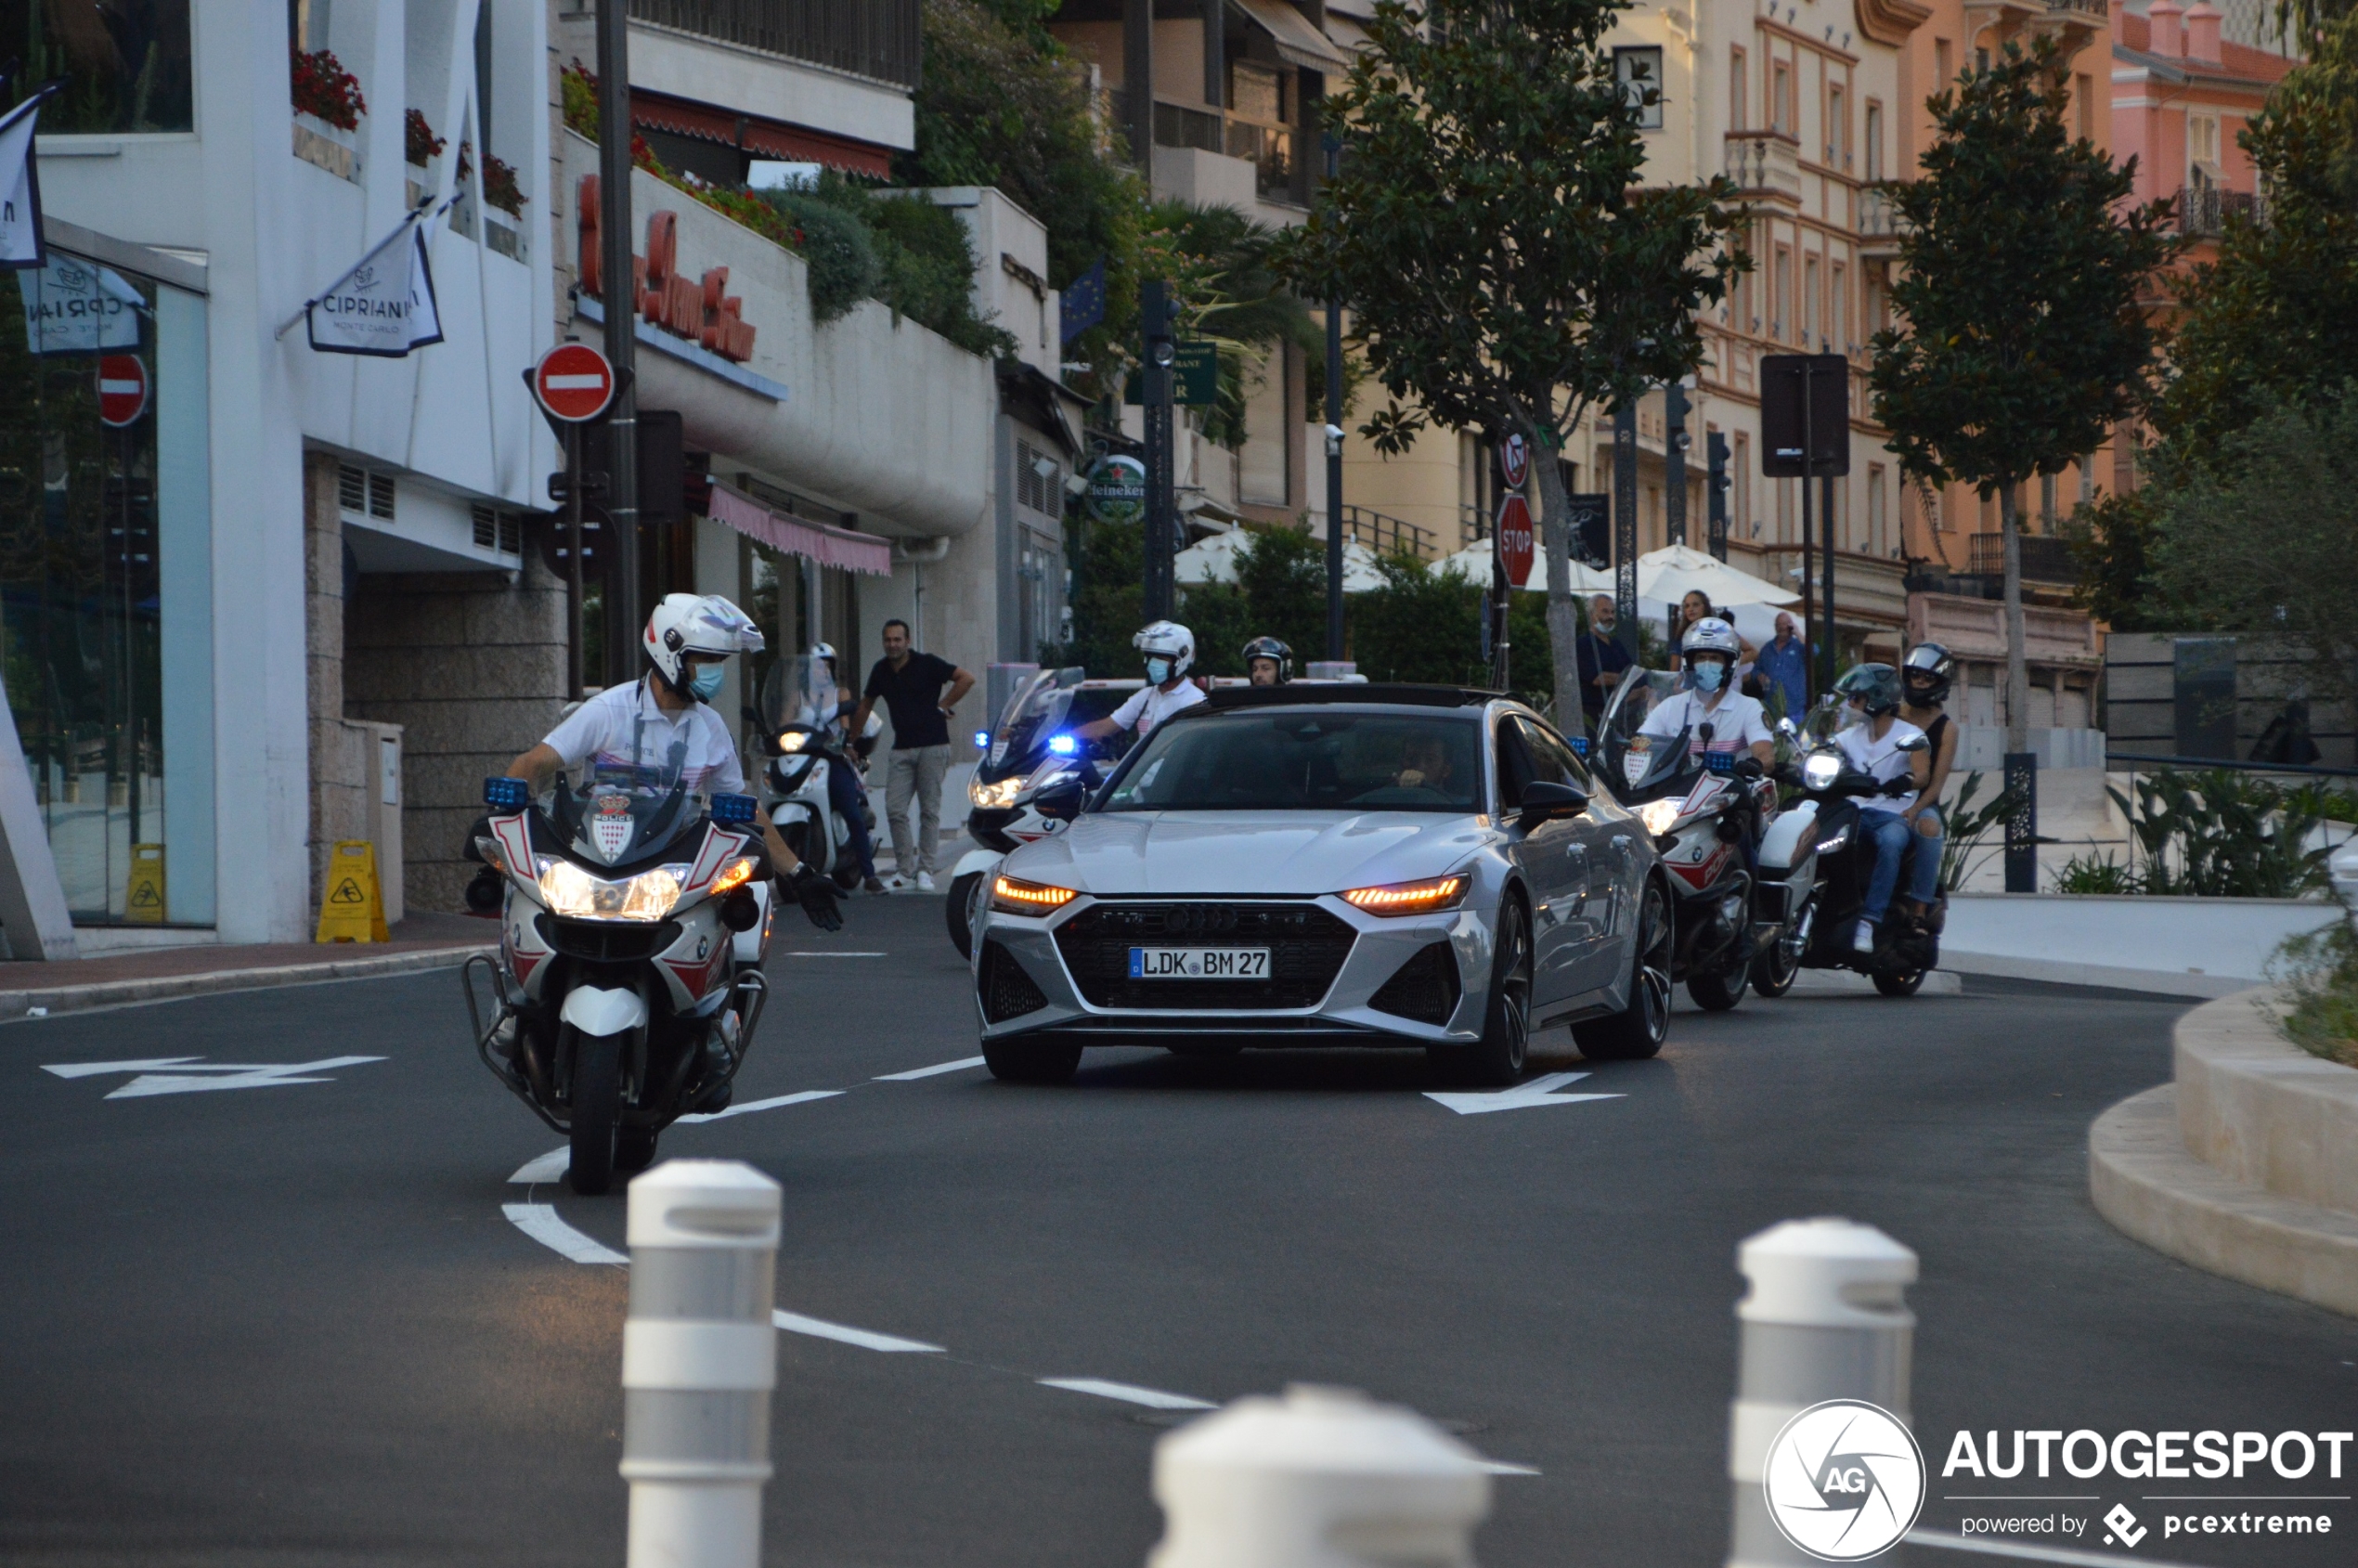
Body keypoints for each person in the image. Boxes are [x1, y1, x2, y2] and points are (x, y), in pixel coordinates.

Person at [498, 593, 842, 930]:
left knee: (736, 929)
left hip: (675, 874)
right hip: (597, 867)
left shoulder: (711, 728)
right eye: (706, 660)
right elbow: (532, 765)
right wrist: (501, 828)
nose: (715, 671)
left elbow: (746, 808)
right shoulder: (608, 710)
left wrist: (800, 874)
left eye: (719, 662)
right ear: (669, 654)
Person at [850, 619, 976, 894]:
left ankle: (925, 871)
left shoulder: (928, 663)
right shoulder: (880, 670)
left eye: (897, 639)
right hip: (901, 748)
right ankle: (905, 870)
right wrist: (851, 740)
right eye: (888, 640)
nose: (892, 644)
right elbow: (865, 705)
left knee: (929, 810)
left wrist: (943, 704)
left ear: (908, 641)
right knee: (895, 809)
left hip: (933, 746)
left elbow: (966, 678)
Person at [1833, 663, 1936, 954]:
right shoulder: (1849, 735)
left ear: (1876, 698)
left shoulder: (1910, 735)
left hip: (1891, 814)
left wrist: (1904, 781)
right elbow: (1825, 750)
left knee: (1891, 844)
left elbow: (1923, 775)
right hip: (1851, 811)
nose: (1850, 704)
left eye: (1856, 698)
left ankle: (1869, 919)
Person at [1636, 618, 1777, 769]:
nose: (1707, 664)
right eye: (1701, 658)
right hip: (1680, 790)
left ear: (1729, 664)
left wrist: (1752, 766)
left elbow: (1765, 754)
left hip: (1732, 789)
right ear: (1690, 663)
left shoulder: (1749, 708)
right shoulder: (1670, 707)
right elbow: (1641, 744)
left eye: (1715, 658)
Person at [809, 641, 883, 894]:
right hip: (803, 757)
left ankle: (870, 875)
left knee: (851, 811)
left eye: (827, 666)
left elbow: (843, 722)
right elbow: (786, 720)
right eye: (817, 666)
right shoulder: (797, 695)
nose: (823, 671)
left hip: (831, 757)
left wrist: (844, 740)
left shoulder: (840, 694)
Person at [1896, 642, 1959, 923]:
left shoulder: (1947, 728)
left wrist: (1914, 809)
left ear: (1940, 682)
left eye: (1927, 677)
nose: (1919, 682)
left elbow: (1935, 786)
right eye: (1915, 675)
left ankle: (1920, 907)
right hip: (1881, 794)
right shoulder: (1890, 713)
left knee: (1930, 829)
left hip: (1920, 800)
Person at [1077, 620, 1207, 743]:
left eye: (1161, 658)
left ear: (1181, 660)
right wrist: (1064, 737)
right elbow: (1105, 727)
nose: (1153, 664)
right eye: (1151, 657)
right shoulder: (1146, 696)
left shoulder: (1194, 702)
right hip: (1145, 766)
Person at [1574, 595, 1633, 728]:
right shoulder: (1583, 644)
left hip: (1617, 714)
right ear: (1591, 615)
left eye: (1612, 612)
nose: (1610, 617)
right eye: (1605, 611)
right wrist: (1625, 678)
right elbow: (1597, 678)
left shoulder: (1616, 645)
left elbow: (1632, 672)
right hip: (1593, 716)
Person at [1756, 612, 1809, 721]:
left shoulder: (1798, 645)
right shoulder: (1767, 648)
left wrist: (1798, 633)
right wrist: (1759, 676)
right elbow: (1756, 669)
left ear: (1790, 625)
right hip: (1771, 708)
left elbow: (1813, 652)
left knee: (1795, 738)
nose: (1781, 627)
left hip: (1794, 708)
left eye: (1784, 624)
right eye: (1778, 625)